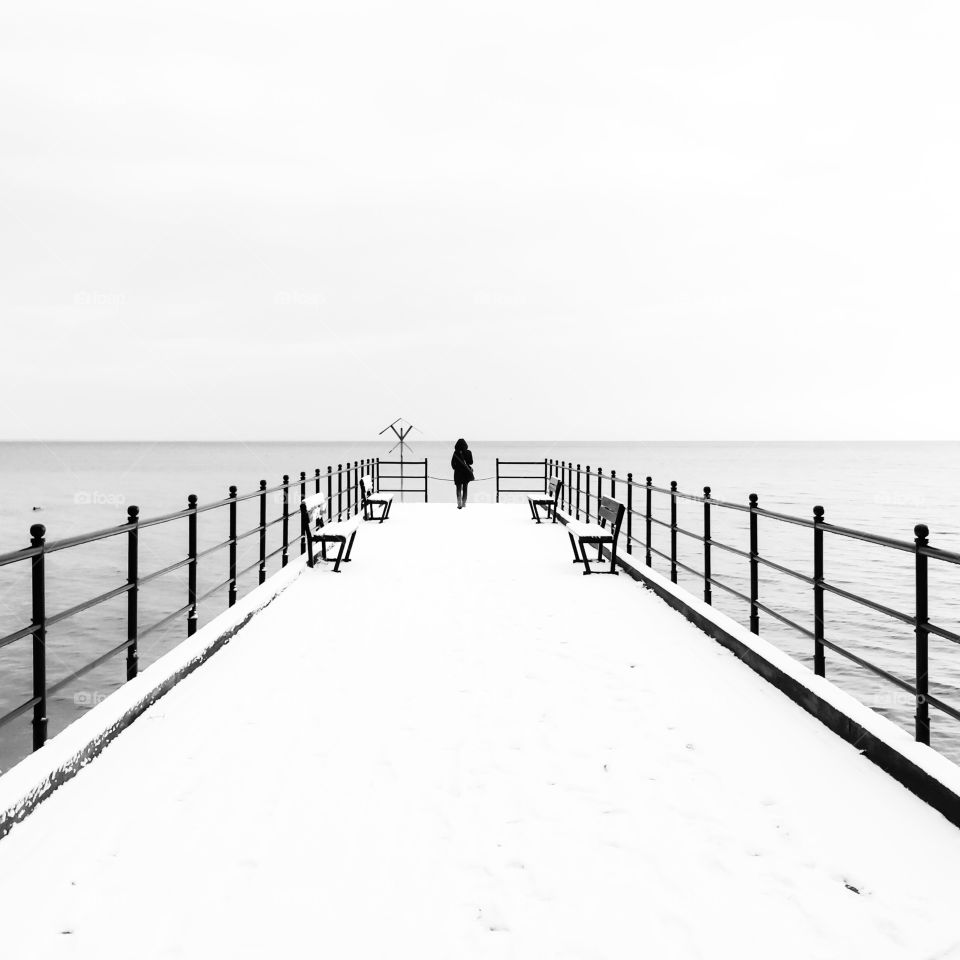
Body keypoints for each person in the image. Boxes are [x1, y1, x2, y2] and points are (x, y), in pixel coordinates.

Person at [451, 438, 474, 509]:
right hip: (466, 473)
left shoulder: (456, 452)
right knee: (465, 488)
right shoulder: (469, 452)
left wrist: (456, 468)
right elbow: (471, 462)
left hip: (458, 473)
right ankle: (464, 503)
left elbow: (452, 464)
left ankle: (459, 504)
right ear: (465, 445)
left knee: (458, 488)